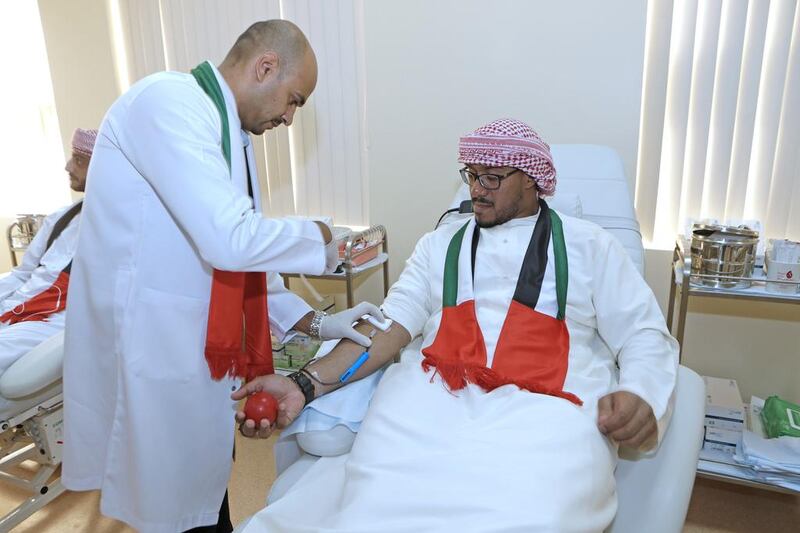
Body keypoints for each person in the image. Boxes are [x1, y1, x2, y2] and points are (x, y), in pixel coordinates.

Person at [234, 118, 680, 532]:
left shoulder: (590, 245)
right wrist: (304, 383)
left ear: (532, 179)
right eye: (471, 174)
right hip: (430, 397)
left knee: (536, 506)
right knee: (380, 499)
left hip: (547, 407)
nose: (477, 189)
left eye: (493, 178)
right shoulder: (440, 243)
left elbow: (643, 333)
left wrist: (641, 391)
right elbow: (389, 326)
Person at [61, 20, 382, 533]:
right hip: (151, 343)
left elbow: (245, 266)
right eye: (294, 100)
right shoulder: (168, 103)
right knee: (172, 508)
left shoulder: (229, 132)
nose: (291, 118)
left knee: (203, 497)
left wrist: (320, 325)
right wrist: (325, 240)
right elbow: (230, 240)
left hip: (194, 345)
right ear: (266, 66)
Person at [0, 128, 96, 374]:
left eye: (78, 160)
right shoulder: (62, 218)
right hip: (21, 303)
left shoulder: (125, 225)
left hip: (59, 319)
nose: (67, 166)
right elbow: (23, 275)